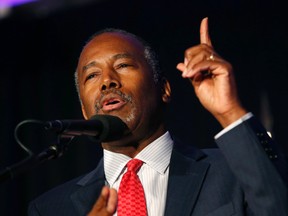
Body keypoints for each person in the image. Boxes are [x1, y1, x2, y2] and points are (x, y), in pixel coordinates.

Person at [28, 17, 288, 216]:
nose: (107, 81)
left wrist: (229, 110)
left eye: (122, 65)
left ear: (164, 89)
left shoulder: (231, 172)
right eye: (92, 75)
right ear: (84, 111)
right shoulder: (50, 208)